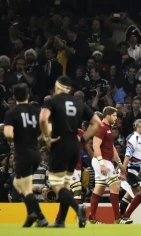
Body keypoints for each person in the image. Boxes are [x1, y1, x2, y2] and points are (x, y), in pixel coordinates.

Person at [39, 75, 101, 228]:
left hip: (60, 144)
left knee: (56, 184)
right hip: (75, 145)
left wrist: (46, 137)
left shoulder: (51, 100)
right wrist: (82, 139)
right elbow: (97, 123)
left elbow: (43, 119)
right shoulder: (78, 103)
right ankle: (60, 221)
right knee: (65, 184)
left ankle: (78, 207)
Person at [3, 83, 48, 227]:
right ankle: (31, 214)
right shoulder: (35, 111)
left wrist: (15, 136)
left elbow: (9, 135)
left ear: (14, 97)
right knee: (20, 184)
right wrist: (37, 140)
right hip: (35, 154)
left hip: (22, 153)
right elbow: (46, 132)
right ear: (28, 95)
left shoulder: (12, 112)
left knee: (23, 186)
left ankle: (40, 216)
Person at [88, 106, 126, 224]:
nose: (116, 118)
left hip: (106, 160)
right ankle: (118, 218)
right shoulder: (101, 128)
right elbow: (95, 145)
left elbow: (111, 147)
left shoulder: (108, 128)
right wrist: (102, 164)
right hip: (102, 161)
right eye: (114, 115)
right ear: (108, 115)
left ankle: (92, 218)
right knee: (115, 186)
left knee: (99, 188)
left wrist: (119, 163)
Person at [54, 128, 93, 223]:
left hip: (78, 168)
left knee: (67, 194)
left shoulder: (81, 133)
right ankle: (82, 218)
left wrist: (98, 164)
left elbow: (88, 150)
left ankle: (58, 220)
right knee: (77, 190)